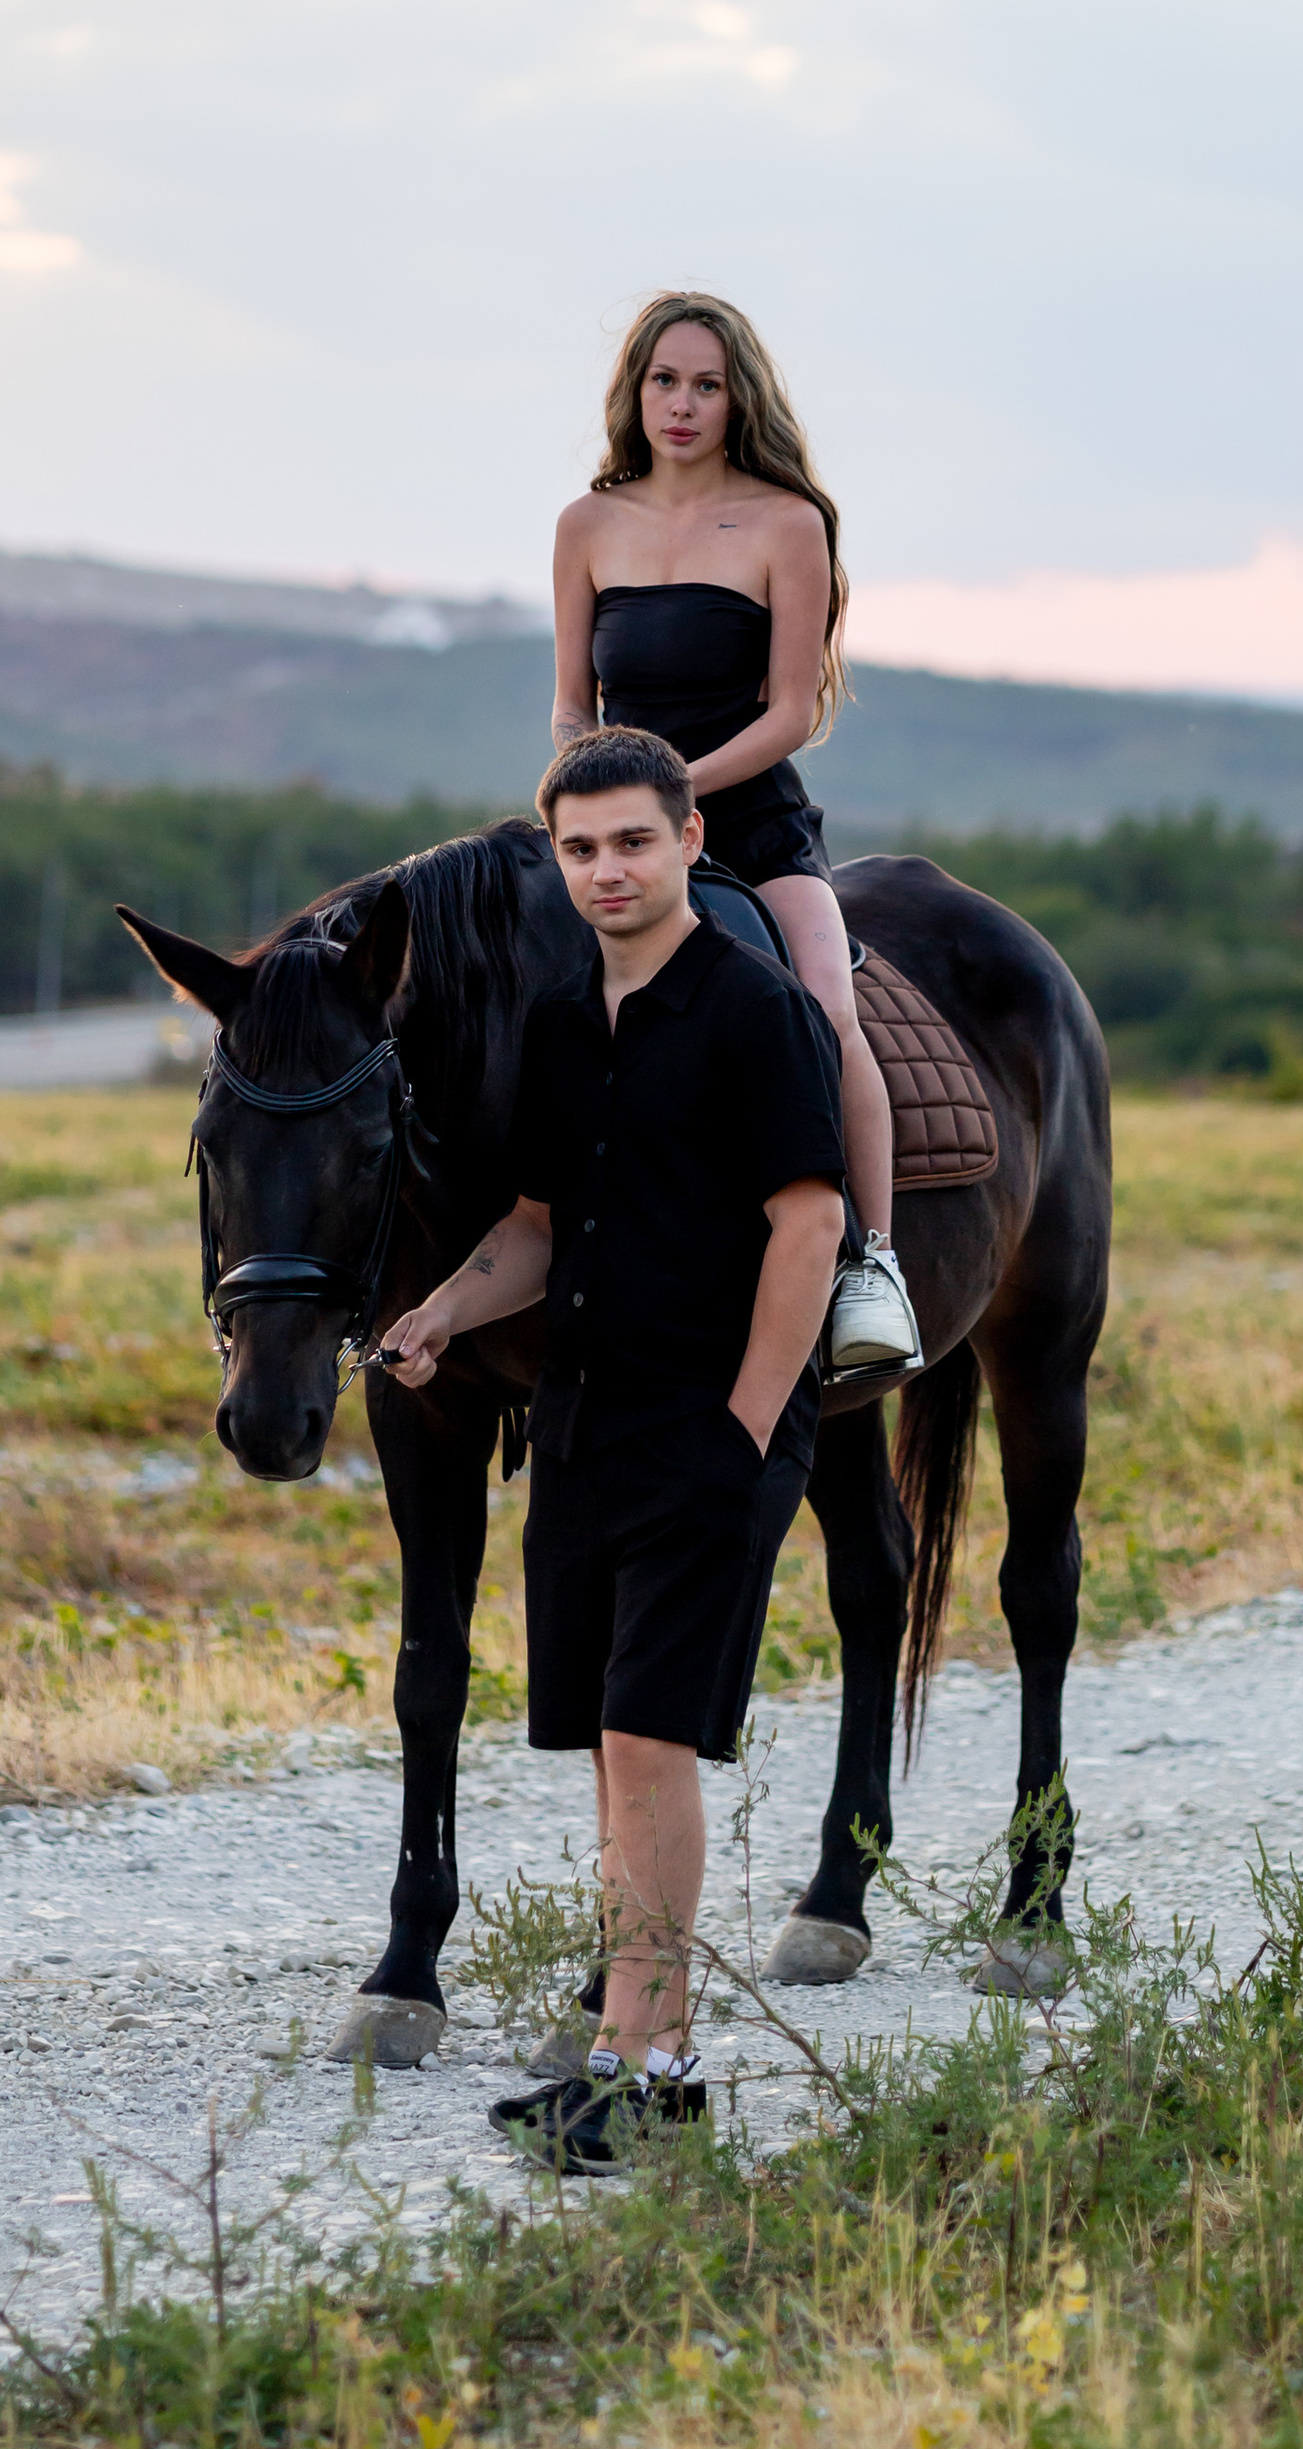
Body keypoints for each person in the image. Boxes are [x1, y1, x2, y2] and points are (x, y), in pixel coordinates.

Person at [376, 726, 846, 2175]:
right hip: (578, 1423)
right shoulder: (565, 1026)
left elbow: (810, 1224)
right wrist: (440, 1317)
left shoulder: (754, 1011)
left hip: (707, 1427)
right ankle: (623, 2062)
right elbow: (532, 1229)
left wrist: (749, 1424)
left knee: (651, 1744)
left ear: (690, 840)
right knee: (607, 1757)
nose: (606, 871)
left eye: (632, 841)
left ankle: (659, 2067)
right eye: (579, 849)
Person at [552, 289, 920, 1379]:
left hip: (748, 821)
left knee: (822, 1002)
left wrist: (673, 791)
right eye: (664, 380)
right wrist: (585, 794)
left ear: (736, 396)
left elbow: (790, 711)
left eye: (706, 384)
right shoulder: (588, 523)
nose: (682, 403)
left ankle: (872, 1270)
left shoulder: (783, 522)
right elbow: (575, 701)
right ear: (636, 390)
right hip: (614, 825)